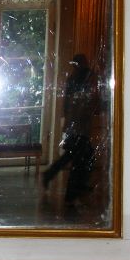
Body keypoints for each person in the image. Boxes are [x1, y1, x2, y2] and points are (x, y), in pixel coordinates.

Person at [42, 53, 100, 205]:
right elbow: (84, 103)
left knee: (74, 156)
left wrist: (68, 123)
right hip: (80, 125)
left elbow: (68, 105)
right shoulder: (85, 77)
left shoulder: (74, 79)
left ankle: (55, 178)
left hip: (75, 124)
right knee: (80, 158)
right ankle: (72, 192)